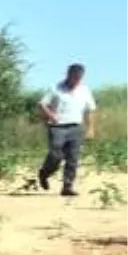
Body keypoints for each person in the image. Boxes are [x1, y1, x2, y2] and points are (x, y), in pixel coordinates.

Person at [38, 63, 97, 197]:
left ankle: (67, 186)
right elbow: (41, 104)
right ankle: (45, 173)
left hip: (76, 127)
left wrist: (91, 128)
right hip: (57, 127)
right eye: (74, 77)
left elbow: (90, 110)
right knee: (56, 155)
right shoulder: (55, 88)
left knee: (73, 158)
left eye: (78, 77)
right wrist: (50, 115)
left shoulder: (84, 90)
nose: (76, 80)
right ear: (68, 75)